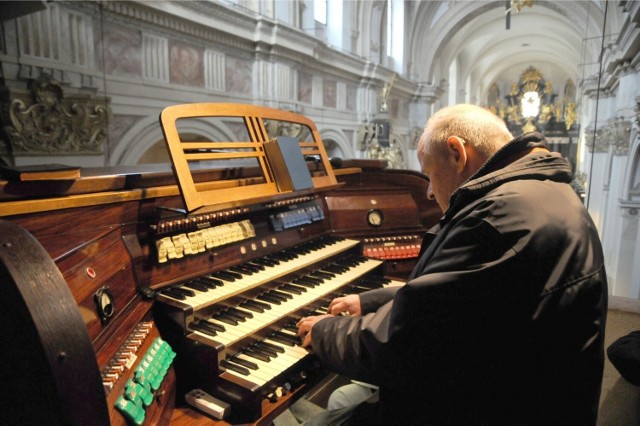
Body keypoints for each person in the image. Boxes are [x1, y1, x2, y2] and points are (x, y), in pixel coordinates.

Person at [296, 104, 608, 425]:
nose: (429, 192)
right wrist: (369, 300)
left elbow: (406, 347)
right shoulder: (542, 192)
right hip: (513, 387)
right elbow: (464, 297)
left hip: (491, 406)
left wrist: (324, 332)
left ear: (457, 153)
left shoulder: (497, 219)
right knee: (347, 398)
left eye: (429, 173)